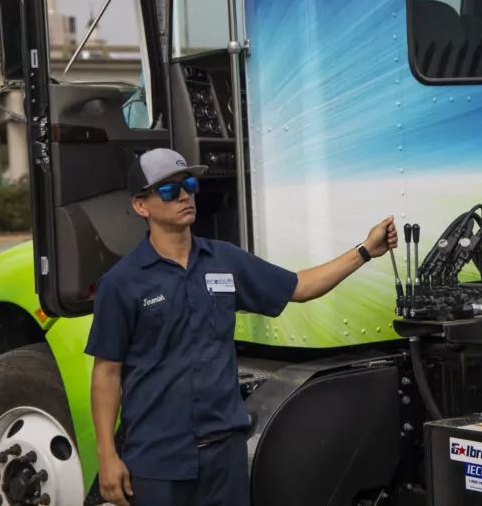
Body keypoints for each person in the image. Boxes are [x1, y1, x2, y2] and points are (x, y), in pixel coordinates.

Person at [85, 147, 397, 506]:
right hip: (157, 461)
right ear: (142, 206)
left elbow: (300, 286)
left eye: (188, 184)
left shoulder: (224, 260)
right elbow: (106, 373)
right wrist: (107, 457)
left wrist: (363, 251)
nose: (184, 195)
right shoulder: (121, 283)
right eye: (169, 190)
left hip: (225, 459)